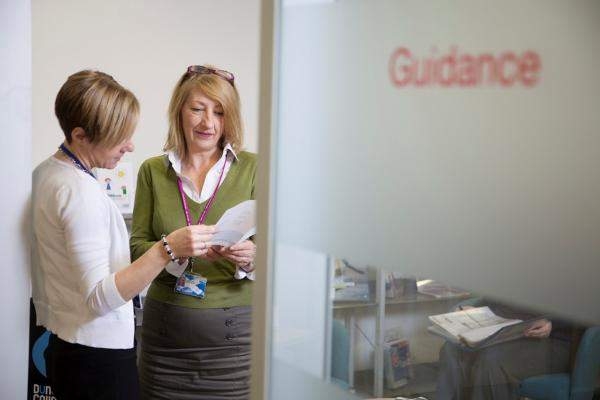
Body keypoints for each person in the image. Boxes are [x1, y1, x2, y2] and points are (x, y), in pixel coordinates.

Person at [31, 70, 215, 400]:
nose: (129, 147)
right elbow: (99, 298)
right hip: (96, 358)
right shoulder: (79, 193)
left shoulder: (46, 172)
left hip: (68, 345)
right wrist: (167, 249)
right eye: (120, 137)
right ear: (80, 135)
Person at [130, 65, 257, 399]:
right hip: (164, 348)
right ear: (179, 111)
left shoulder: (256, 169)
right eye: (197, 109)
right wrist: (172, 248)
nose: (208, 123)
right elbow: (136, 249)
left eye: (219, 112)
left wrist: (252, 258)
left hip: (235, 349)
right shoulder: (152, 171)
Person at [435, 299, 576, 400]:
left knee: (492, 360)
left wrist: (553, 324)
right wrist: (476, 310)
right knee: (451, 350)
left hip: (552, 339)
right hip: (506, 328)